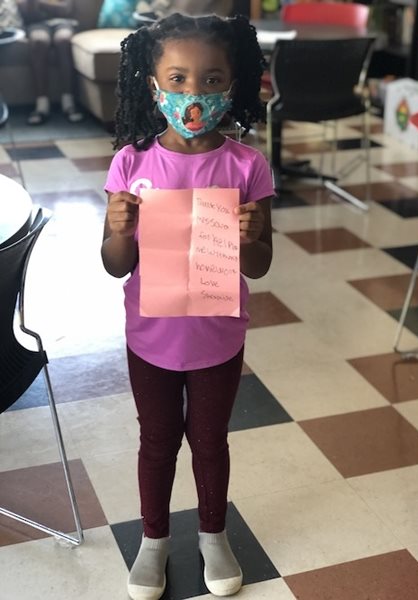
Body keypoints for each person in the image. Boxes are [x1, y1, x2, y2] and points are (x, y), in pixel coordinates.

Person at [101, 12, 273, 600]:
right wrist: (119, 228)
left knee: (210, 440)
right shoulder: (132, 163)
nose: (192, 96)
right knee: (156, 442)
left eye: (209, 80)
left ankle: (213, 534)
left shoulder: (248, 166)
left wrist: (251, 237)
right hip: (149, 337)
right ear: (153, 85)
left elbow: (260, 266)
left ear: (233, 84)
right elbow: (115, 264)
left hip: (217, 337)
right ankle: (153, 541)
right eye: (176, 79)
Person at [17, 0, 84, 125]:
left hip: (63, 23)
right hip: (37, 24)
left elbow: (66, 10)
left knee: (63, 40)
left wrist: (41, 3)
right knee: (39, 42)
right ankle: (42, 105)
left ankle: (68, 103)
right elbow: (26, 12)